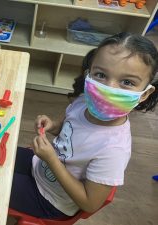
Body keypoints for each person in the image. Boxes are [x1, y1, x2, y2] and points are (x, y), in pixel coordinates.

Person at [9, 32, 158, 219]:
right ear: (89, 74)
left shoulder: (114, 149)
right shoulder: (84, 101)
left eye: (127, 82)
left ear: (145, 94)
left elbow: (89, 203)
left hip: (50, 200)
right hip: (39, 165)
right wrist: (54, 125)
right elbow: (70, 127)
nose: (109, 88)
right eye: (101, 75)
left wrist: (52, 160)